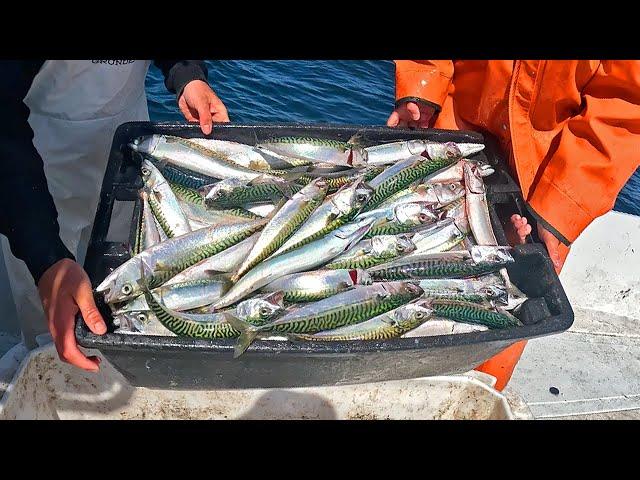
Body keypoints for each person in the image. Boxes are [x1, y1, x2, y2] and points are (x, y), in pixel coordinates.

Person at [387, 60, 640, 390]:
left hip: (545, 175)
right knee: (398, 283)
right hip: (453, 133)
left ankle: (466, 398)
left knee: (492, 333)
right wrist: (422, 85)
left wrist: (564, 205)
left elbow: (625, 105)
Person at [0, 60, 229, 372]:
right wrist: (45, 258)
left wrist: (187, 76)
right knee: (47, 298)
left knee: (122, 263)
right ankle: (41, 361)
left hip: (129, 138)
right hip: (42, 159)